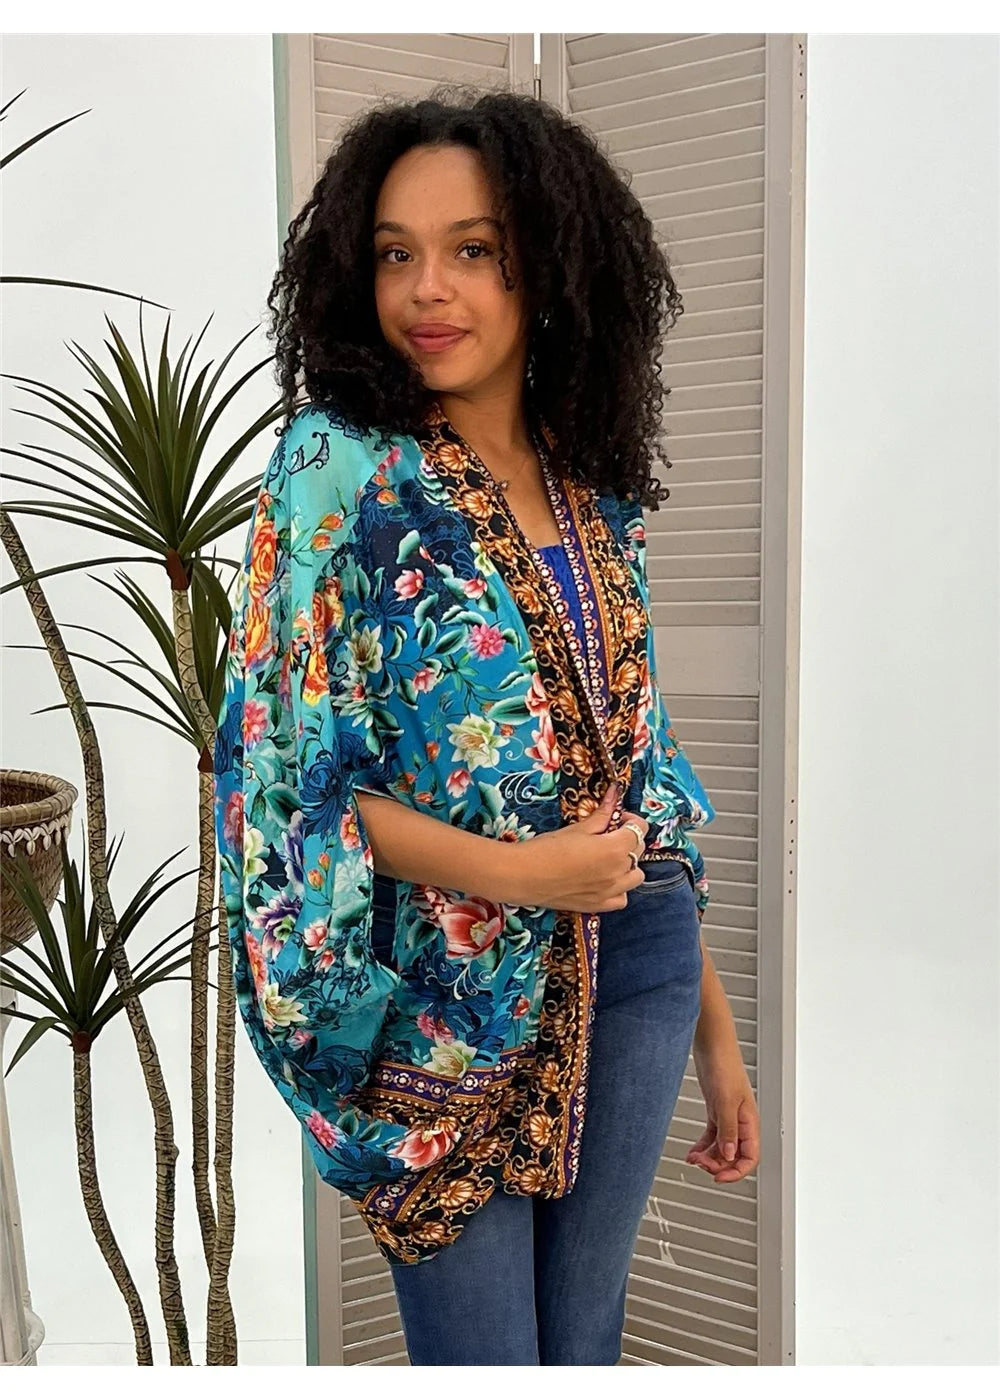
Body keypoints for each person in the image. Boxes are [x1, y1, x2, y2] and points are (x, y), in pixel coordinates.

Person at [214, 85, 759, 1366]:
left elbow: (641, 770)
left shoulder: (588, 481)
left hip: (636, 964)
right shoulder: (337, 465)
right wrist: (522, 875)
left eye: (472, 249)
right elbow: (282, 785)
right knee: (481, 1359)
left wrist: (718, 1033)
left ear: (550, 266)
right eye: (394, 253)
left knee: (583, 1343)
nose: (427, 290)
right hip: (440, 1001)